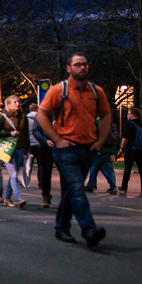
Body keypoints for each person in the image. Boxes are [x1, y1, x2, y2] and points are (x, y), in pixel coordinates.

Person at [36, 53, 110, 247]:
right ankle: (89, 230)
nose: (83, 67)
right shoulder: (59, 90)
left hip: (88, 148)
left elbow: (106, 115)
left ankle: (61, 227)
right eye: (78, 65)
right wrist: (56, 139)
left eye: (85, 64)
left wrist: (101, 140)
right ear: (69, 68)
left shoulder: (96, 92)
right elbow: (41, 115)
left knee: (71, 190)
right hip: (66, 149)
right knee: (77, 188)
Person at [0, 94, 29, 209]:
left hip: (20, 147)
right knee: (13, 174)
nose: (18, 104)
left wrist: (28, 149)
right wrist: (9, 133)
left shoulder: (23, 116)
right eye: (15, 102)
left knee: (14, 175)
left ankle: (7, 199)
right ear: (8, 104)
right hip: (7, 148)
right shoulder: (2, 117)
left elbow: (26, 133)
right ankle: (19, 198)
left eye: (18, 102)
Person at [118, 107, 142, 196]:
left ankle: (124, 187)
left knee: (127, 169)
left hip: (131, 150)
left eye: (128, 114)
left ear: (132, 115)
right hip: (141, 150)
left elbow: (125, 138)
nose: (127, 115)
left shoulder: (129, 124)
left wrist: (121, 149)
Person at [28, 103, 55, 208]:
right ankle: (46, 195)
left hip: (62, 146)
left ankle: (66, 199)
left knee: (65, 173)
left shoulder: (65, 112)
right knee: (46, 172)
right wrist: (45, 140)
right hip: (46, 147)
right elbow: (36, 131)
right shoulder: (43, 113)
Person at [84, 119, 118, 194]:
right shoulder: (111, 124)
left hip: (100, 149)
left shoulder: (97, 123)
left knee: (94, 168)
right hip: (110, 150)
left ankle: (90, 185)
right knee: (109, 169)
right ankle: (113, 187)